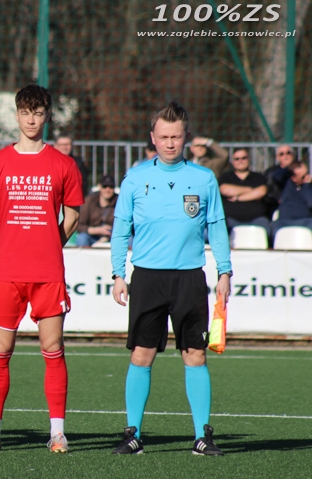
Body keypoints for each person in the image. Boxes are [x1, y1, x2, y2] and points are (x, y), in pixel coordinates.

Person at [110, 102, 231, 456]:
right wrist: (118, 273)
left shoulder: (204, 178)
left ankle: (202, 436)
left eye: (176, 137)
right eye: (163, 137)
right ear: (153, 137)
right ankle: (133, 434)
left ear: (186, 137)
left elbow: (217, 226)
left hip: (189, 278)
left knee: (196, 354)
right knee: (142, 354)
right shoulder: (135, 178)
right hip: (147, 278)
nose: (169, 143)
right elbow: (121, 228)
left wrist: (224, 271)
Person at [0, 85, 84, 453]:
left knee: (53, 348)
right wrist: (7, 244)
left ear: (47, 116)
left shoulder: (64, 165)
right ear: (17, 115)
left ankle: (58, 433)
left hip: (48, 273)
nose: (32, 120)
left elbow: (72, 217)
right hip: (9, 271)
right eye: (25, 112)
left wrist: (49, 244)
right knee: (0, 348)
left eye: (38, 113)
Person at [218, 148, 270, 235]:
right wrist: (250, 190)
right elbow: (225, 190)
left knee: (267, 231)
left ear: (249, 159)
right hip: (230, 220)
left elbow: (261, 192)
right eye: (237, 159)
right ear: (232, 162)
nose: (240, 161)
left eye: (243, 158)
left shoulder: (258, 177)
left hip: (257, 219)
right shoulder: (225, 177)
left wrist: (238, 198)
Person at [270, 161, 312, 239]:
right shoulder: (286, 184)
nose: (307, 177)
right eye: (303, 176)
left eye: (307, 174)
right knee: (275, 228)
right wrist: (290, 167)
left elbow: (310, 203)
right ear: (293, 178)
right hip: (285, 221)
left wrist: (307, 185)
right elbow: (276, 176)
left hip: (305, 221)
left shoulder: (309, 186)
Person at [75, 174, 118, 247]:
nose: (107, 190)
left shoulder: (119, 201)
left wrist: (112, 232)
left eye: (111, 187)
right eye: (105, 186)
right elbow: (79, 225)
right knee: (82, 238)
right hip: (92, 236)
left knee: (129, 239)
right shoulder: (89, 201)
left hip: (113, 236)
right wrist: (98, 230)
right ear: (99, 186)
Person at [264, 145, 297, 216]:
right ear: (277, 158)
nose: (286, 156)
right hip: (276, 205)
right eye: (282, 154)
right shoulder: (271, 172)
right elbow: (269, 192)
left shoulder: (300, 170)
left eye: (288, 153)